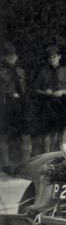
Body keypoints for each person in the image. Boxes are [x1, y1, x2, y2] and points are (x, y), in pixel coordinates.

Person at [32, 45, 66, 154]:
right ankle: (46, 159)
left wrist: (62, 92)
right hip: (47, 106)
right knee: (47, 133)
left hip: (62, 105)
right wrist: (45, 92)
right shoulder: (43, 72)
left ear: (59, 57)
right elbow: (35, 89)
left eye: (54, 57)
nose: (52, 59)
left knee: (62, 132)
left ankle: (62, 157)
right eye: (50, 58)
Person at [0, 42, 32, 173]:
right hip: (6, 105)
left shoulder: (20, 71)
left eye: (13, 55)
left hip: (21, 105)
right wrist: (8, 93)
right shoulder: (1, 71)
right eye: (8, 55)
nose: (11, 57)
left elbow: (26, 88)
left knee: (25, 135)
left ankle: (26, 165)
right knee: (4, 135)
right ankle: (6, 165)